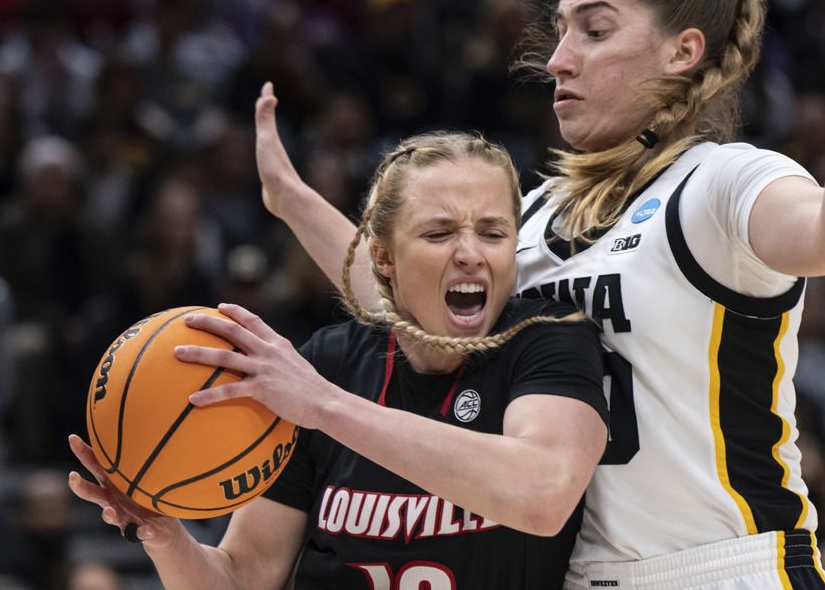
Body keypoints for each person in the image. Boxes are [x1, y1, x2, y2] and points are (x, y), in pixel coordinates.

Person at [255, 0, 825, 589]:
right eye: (562, 30)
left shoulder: (720, 183)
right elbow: (408, 311)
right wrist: (290, 200)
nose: (558, 59)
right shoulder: (534, 215)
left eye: (594, 31)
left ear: (681, 51)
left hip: (721, 565)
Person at [68, 131, 609, 589]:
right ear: (382, 257)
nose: (470, 252)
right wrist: (165, 536)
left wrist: (325, 406)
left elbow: (543, 491)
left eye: (493, 233)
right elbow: (244, 575)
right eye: (439, 233)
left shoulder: (548, 338)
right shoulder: (330, 362)